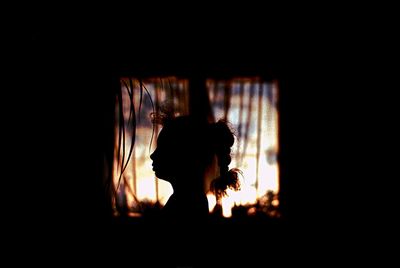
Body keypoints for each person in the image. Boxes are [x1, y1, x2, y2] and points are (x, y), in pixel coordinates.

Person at [150, 115, 241, 222]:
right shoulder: (189, 199)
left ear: (187, 155)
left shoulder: (186, 203)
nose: (153, 155)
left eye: (163, 149)